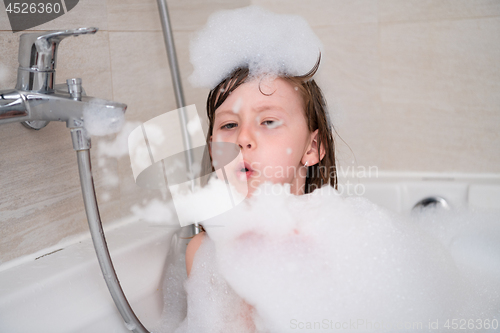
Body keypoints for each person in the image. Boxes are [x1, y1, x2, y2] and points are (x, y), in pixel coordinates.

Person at [183, 56, 338, 330]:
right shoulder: (203, 253)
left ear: (312, 147)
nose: (243, 138)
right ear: (212, 151)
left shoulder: (334, 244)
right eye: (229, 125)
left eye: (267, 121)